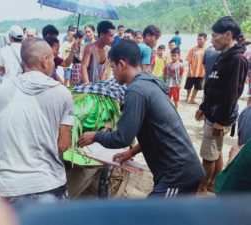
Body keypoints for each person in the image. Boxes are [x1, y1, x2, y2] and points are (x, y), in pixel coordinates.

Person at [78, 39, 204, 198]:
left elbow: (121, 138)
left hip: (178, 174)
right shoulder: (148, 82)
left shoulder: (136, 91)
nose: (112, 73)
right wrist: (132, 152)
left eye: (112, 67)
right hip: (176, 171)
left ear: (122, 64)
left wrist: (95, 135)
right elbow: (156, 129)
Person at [0, 37, 74, 202]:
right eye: (53, 59)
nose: (54, 64)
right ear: (45, 61)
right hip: (49, 185)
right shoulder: (63, 94)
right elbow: (63, 145)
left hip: (6, 188)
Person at [195, 16, 248, 195]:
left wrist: (222, 120)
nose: (211, 39)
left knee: (208, 156)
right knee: (215, 152)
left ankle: (202, 187)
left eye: (214, 35)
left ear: (227, 35)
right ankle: (212, 183)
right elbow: (214, 85)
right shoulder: (223, 56)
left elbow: (232, 93)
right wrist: (203, 107)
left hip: (219, 116)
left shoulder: (237, 59)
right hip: (213, 112)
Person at [185, 33, 207, 104]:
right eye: (198, 39)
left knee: (197, 87)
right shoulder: (193, 49)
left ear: (205, 40)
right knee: (189, 86)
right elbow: (189, 61)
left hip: (201, 72)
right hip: (192, 71)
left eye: (200, 39)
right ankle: (187, 98)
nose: (198, 41)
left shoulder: (207, 50)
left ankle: (192, 99)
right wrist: (190, 70)